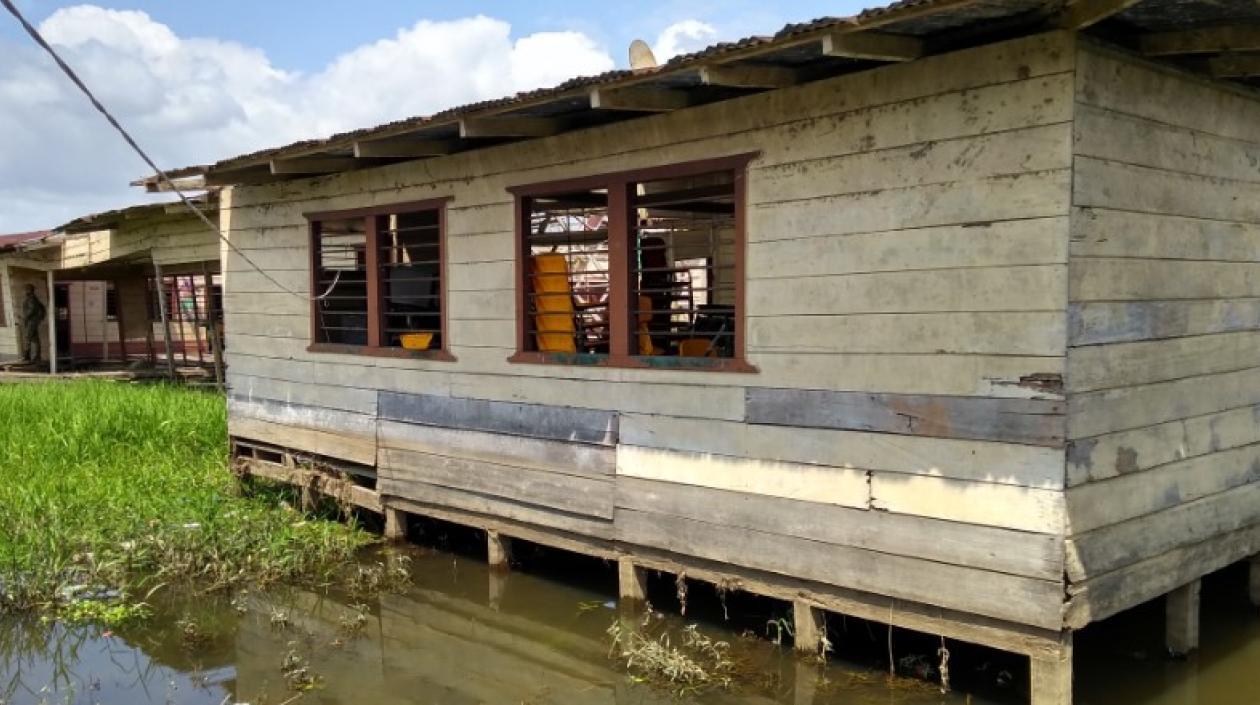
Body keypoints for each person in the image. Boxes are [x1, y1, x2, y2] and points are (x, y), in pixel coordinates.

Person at [20, 284, 46, 363]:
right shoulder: (34, 299)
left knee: (27, 338)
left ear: (29, 290)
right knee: (35, 339)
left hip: (31, 322)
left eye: (26, 290)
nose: (25, 291)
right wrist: (40, 318)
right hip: (33, 322)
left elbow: (32, 310)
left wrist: (25, 317)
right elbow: (42, 308)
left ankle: (27, 356)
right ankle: (37, 356)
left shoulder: (32, 299)